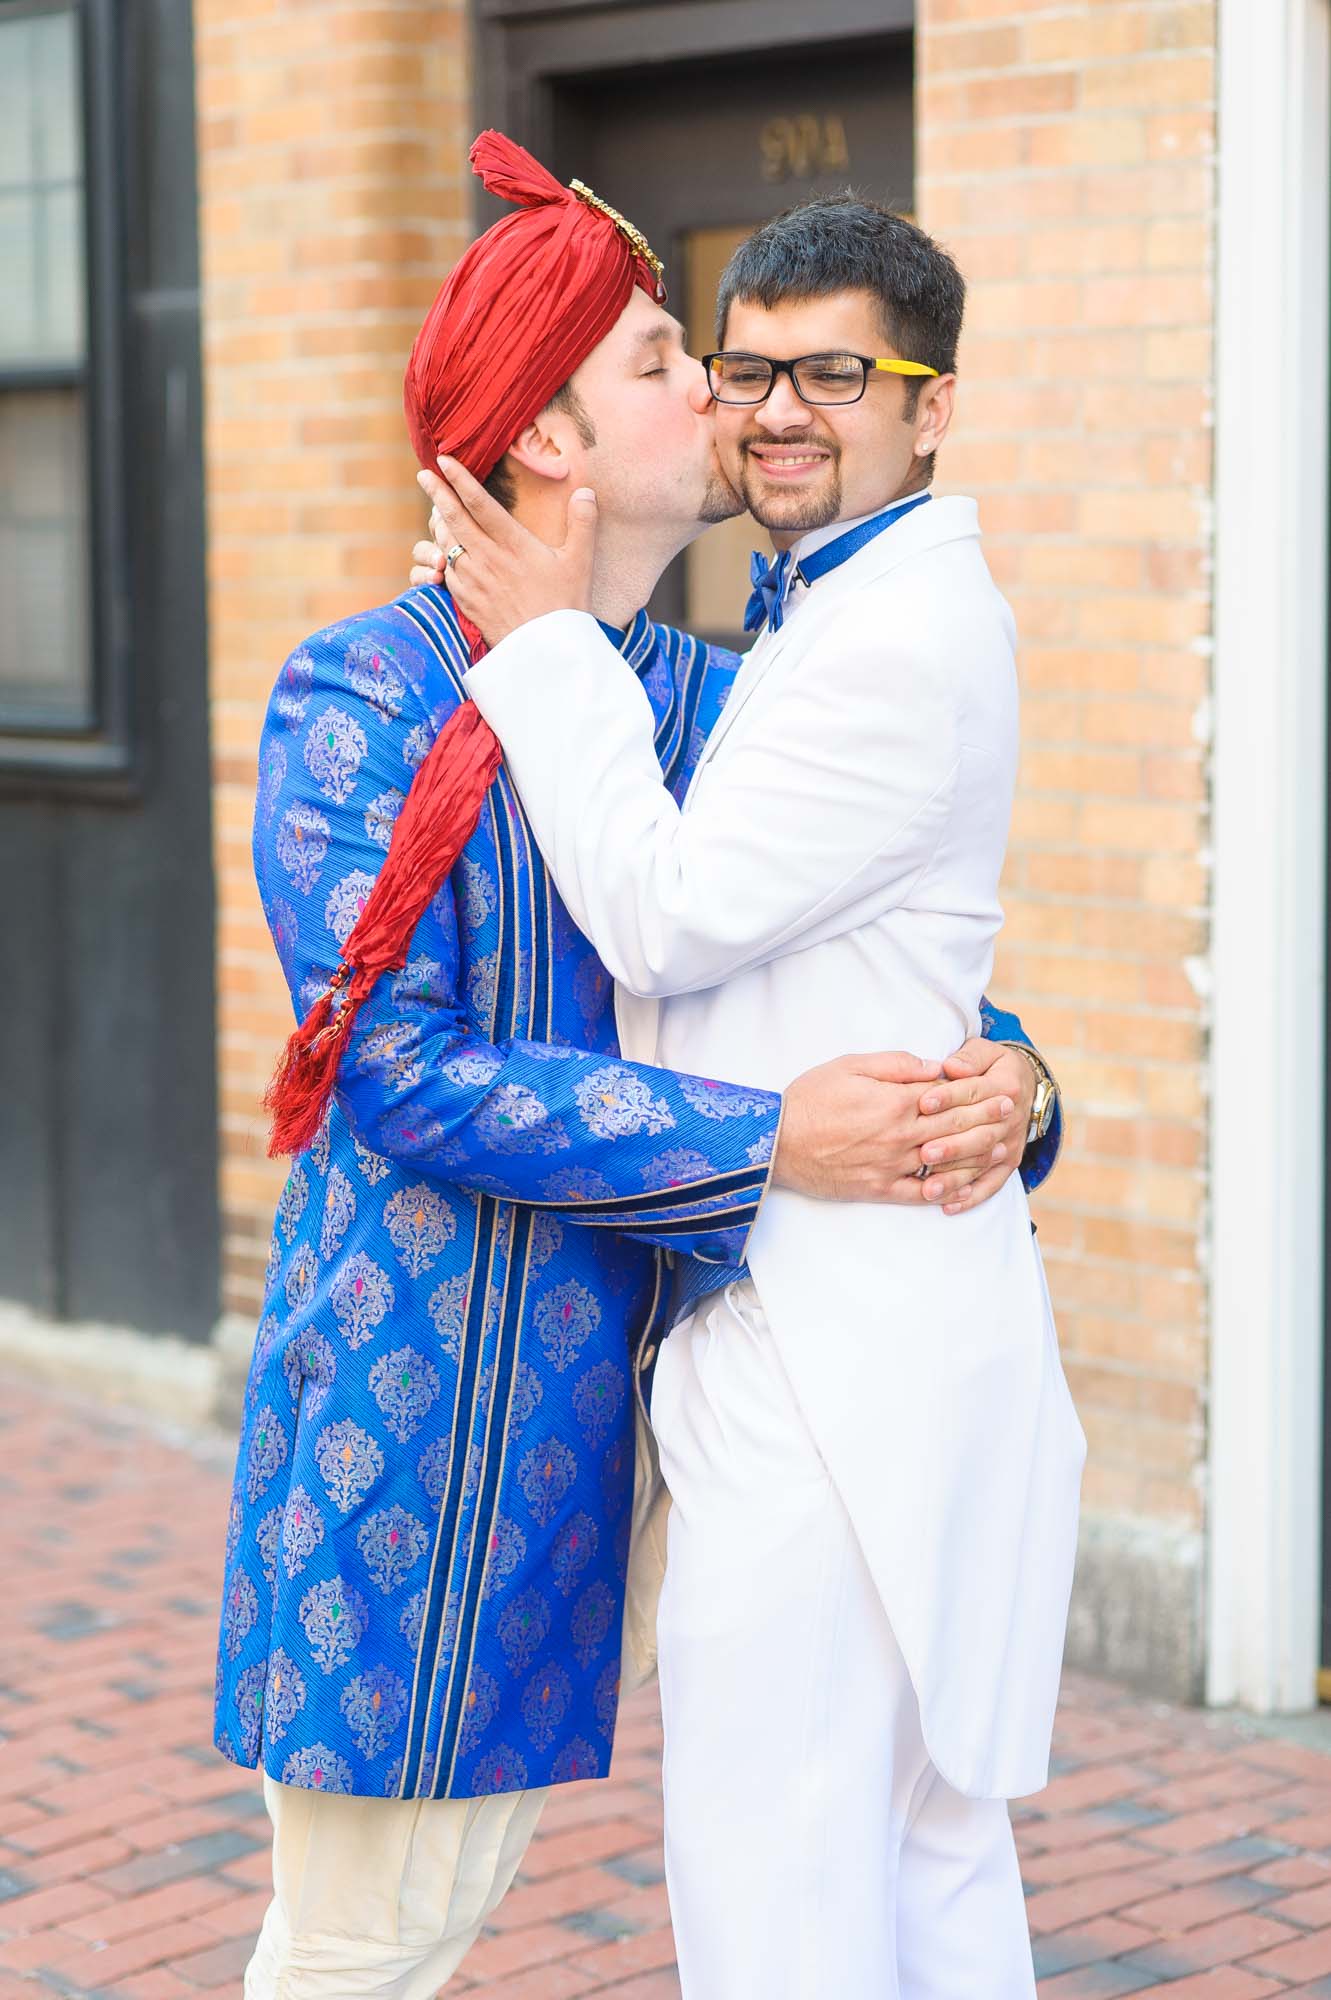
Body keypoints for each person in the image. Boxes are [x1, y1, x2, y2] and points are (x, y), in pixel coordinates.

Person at [219, 135, 1062, 2000]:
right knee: (374, 1939)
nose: (732, 397)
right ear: (554, 444)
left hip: (670, 1404)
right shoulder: (357, 702)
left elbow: (824, 946)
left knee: (827, 1851)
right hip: (437, 1422)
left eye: (780, 368)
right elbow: (404, 1075)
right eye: (677, 362)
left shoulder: (691, 696)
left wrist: (1010, 1079)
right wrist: (776, 1147)